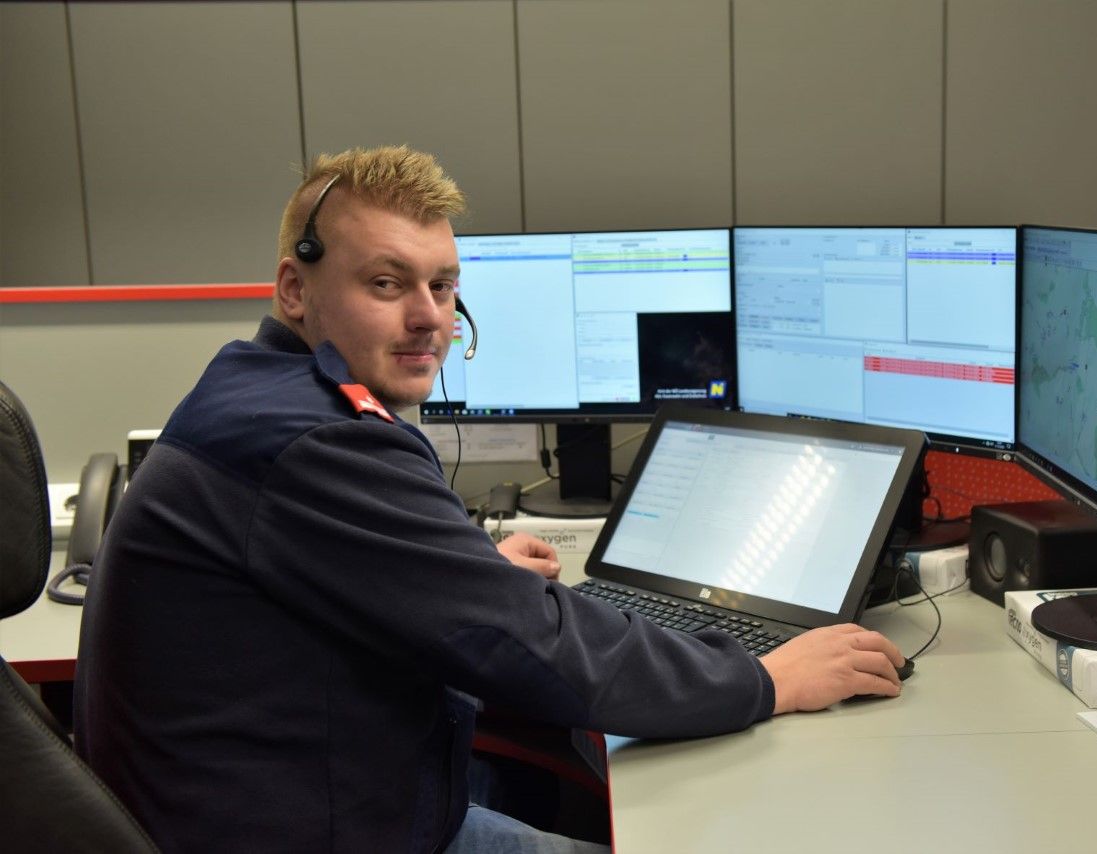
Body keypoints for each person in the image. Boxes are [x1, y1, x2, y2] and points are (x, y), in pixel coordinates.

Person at [74, 145, 906, 853]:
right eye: (387, 284)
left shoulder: (259, 388)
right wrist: (765, 680)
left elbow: (374, 587)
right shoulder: (320, 441)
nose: (428, 318)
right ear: (295, 289)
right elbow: (538, 645)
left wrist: (465, 574)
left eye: (443, 286)